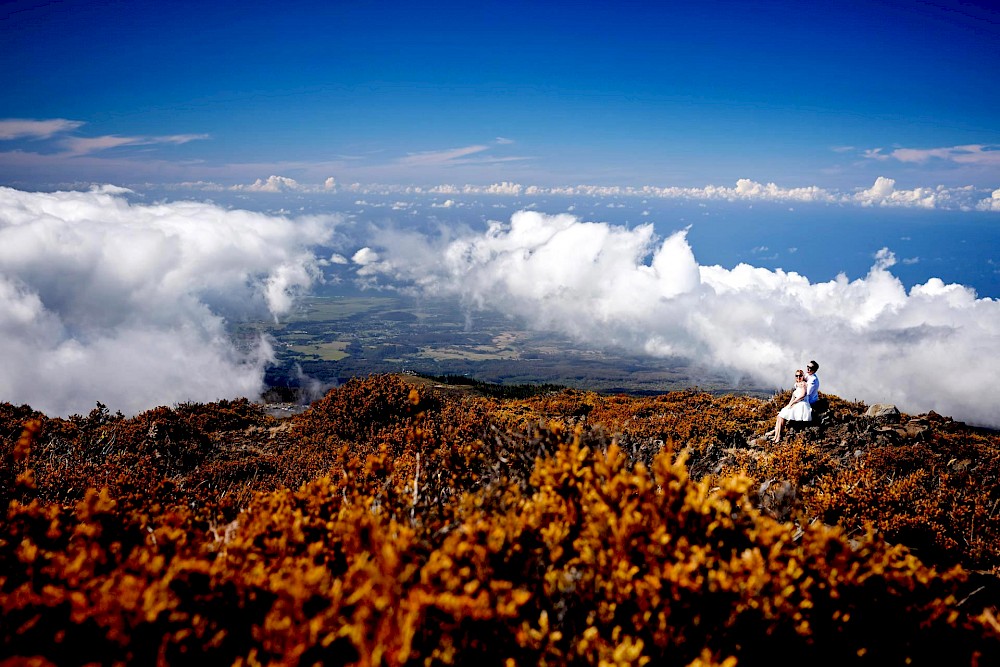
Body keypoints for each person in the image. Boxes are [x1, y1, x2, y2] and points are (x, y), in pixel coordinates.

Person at [773, 369, 812, 442]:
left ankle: (778, 437)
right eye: (796, 376)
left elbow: (802, 395)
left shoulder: (803, 384)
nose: (798, 377)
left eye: (800, 375)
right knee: (779, 416)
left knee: (782, 416)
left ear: (803, 376)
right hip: (796, 404)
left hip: (801, 404)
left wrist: (793, 403)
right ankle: (776, 436)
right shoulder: (796, 385)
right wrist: (788, 406)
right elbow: (792, 397)